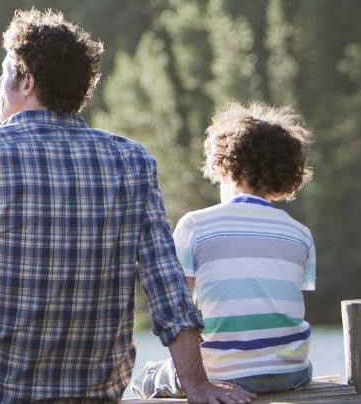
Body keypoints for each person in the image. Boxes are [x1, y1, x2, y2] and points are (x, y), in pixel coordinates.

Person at [0, 9, 257, 404]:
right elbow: (167, 286)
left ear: (27, 81)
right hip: (97, 393)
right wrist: (197, 384)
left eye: (5, 74)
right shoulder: (131, 161)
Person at [133, 103, 317, 398]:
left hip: (223, 376)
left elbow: (180, 306)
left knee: (148, 376)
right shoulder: (300, 233)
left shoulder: (195, 225)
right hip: (292, 373)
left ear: (221, 165)